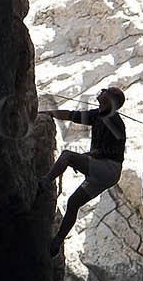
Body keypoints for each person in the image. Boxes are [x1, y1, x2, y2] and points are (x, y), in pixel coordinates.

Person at [40, 86, 126, 256]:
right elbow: (72, 115)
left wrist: (83, 160)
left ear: (110, 99)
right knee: (73, 202)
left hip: (108, 167)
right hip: (108, 173)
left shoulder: (114, 122)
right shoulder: (100, 114)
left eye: (105, 91)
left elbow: (104, 152)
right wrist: (48, 113)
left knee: (67, 156)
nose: (102, 92)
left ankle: (44, 182)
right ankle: (57, 241)